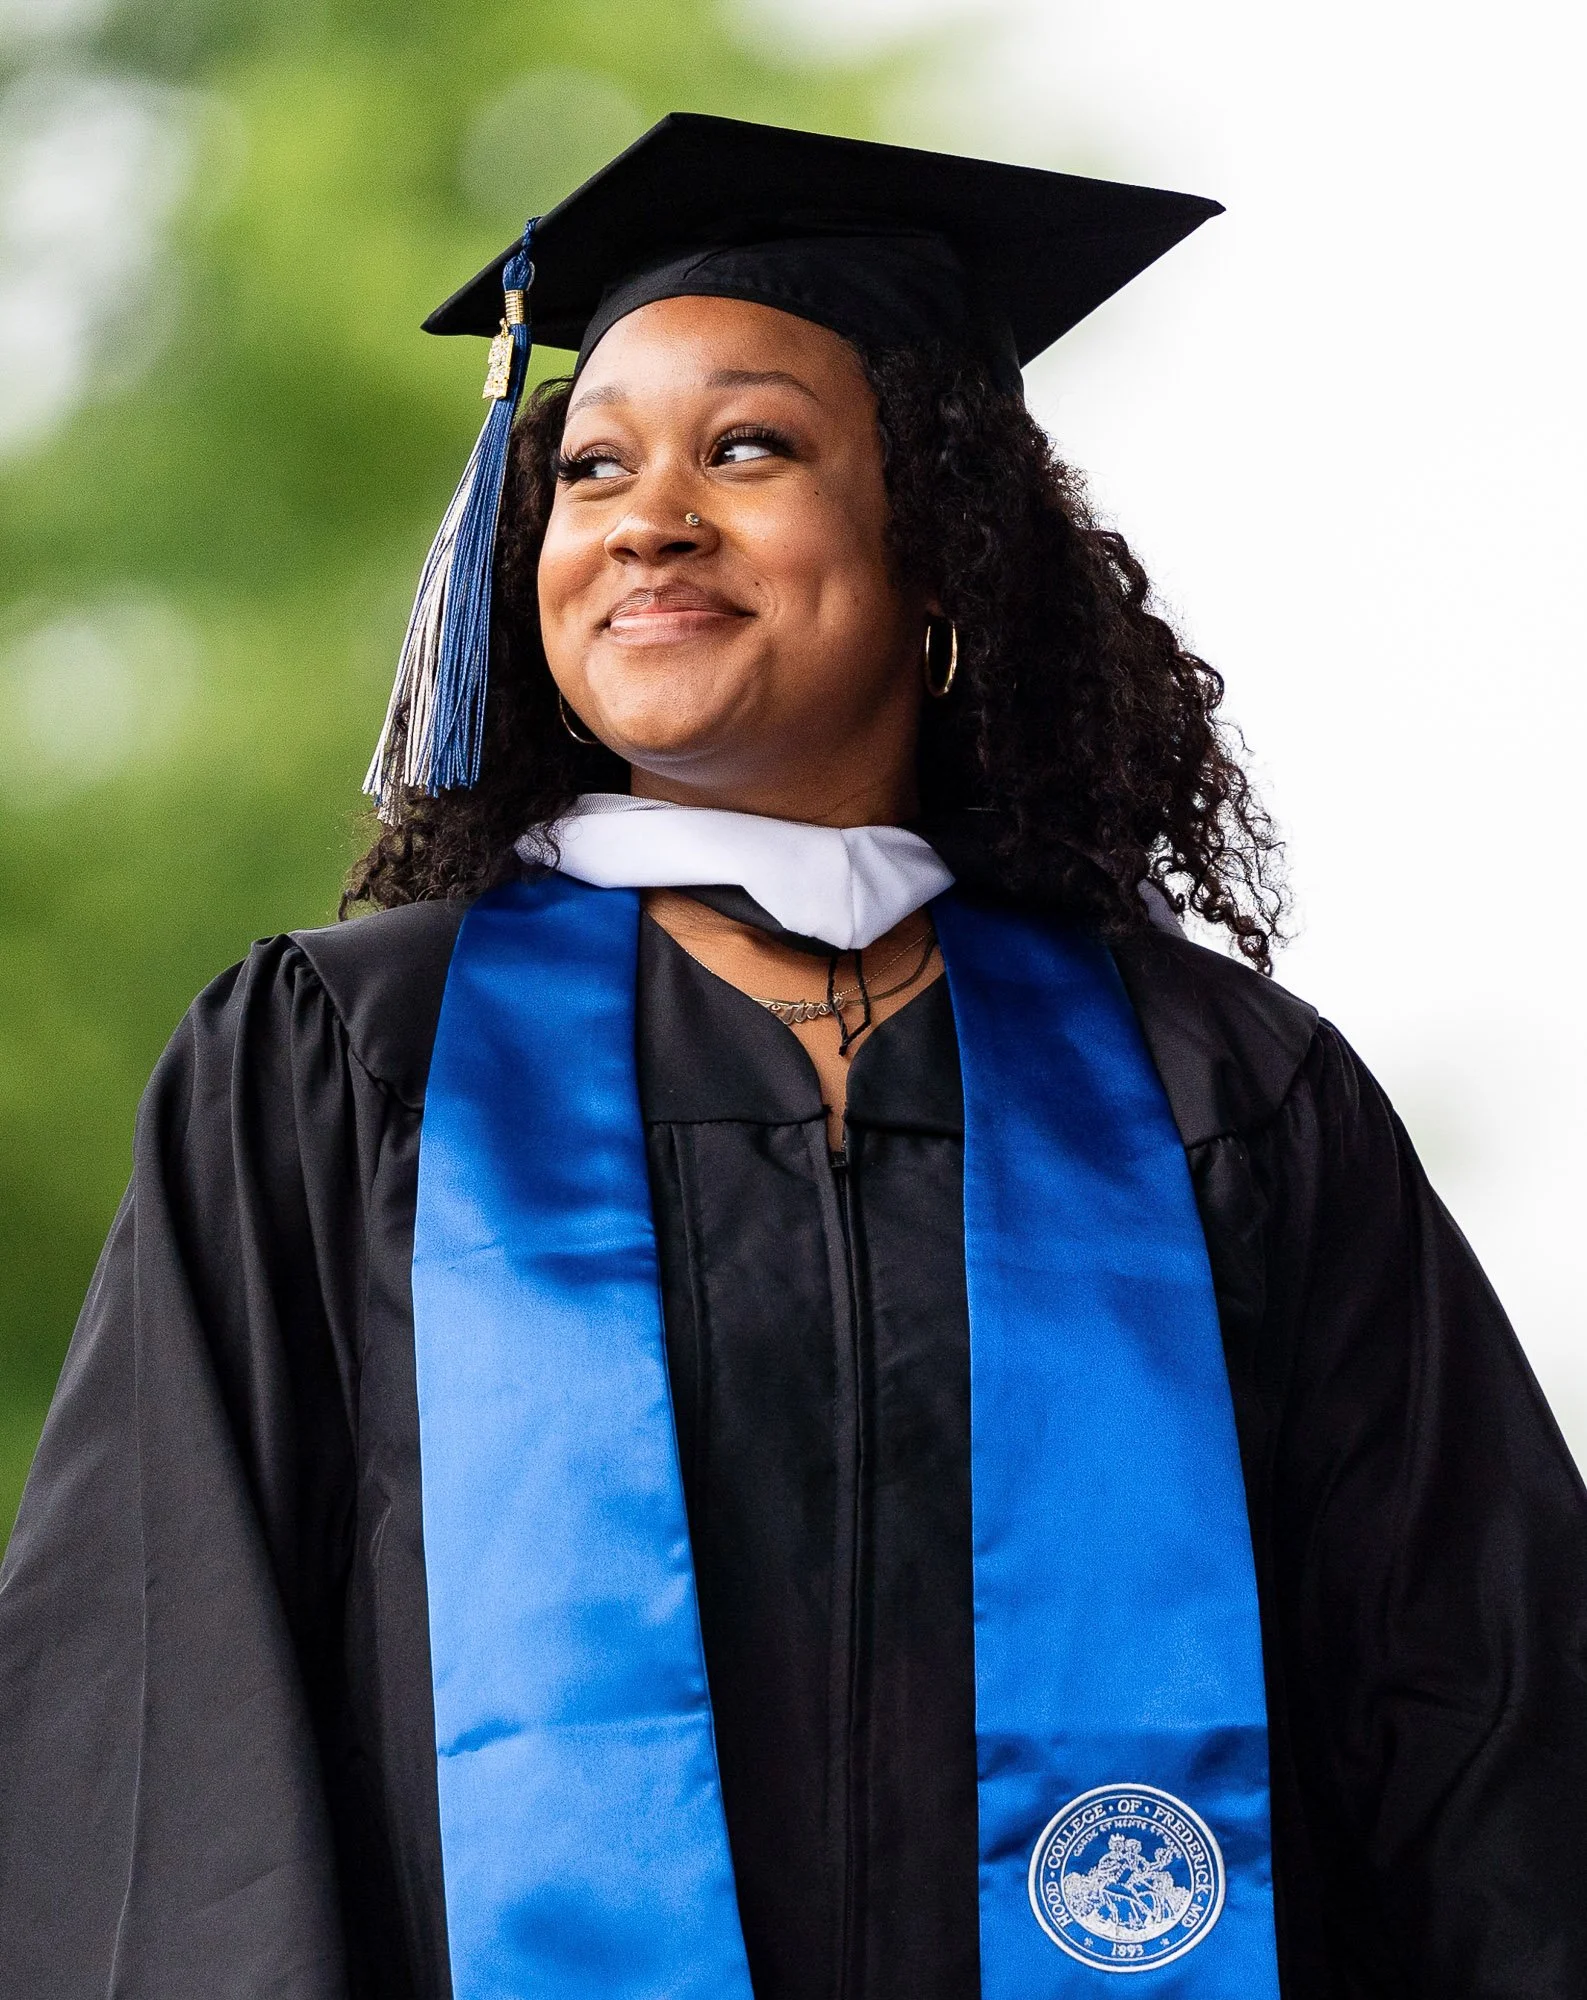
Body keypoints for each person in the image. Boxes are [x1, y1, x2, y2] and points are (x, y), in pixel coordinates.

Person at [1, 112, 1582, 2000]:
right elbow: (167, 1709)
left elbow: (1480, 1741)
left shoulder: (1215, 1098)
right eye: (591, 468)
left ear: (940, 548)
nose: (647, 517)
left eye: (746, 446)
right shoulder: (345, 1067)